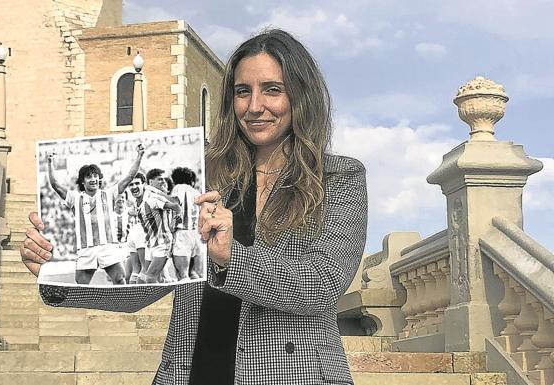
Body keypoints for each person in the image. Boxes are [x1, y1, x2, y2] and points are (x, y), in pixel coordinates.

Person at [21, 28, 367, 385]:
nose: (254, 106)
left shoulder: (340, 177)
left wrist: (230, 257)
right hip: (190, 372)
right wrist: (57, 271)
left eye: (272, 90)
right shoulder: (205, 174)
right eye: (242, 91)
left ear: (301, 96)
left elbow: (322, 284)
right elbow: (148, 282)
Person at [44, 144, 145, 285]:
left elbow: (129, 177)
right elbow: (55, 184)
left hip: (107, 246)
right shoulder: (75, 197)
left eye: (96, 176)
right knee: (81, 285)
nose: (93, 179)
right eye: (89, 177)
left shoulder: (109, 194)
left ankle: (121, 305)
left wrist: (139, 156)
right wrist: (49, 162)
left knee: (120, 280)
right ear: (82, 181)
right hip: (86, 249)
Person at [169, 167, 204, 280]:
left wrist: (170, 231)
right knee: (193, 274)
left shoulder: (177, 189)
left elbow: (175, 210)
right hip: (197, 235)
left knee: (182, 274)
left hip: (182, 233)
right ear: (191, 181)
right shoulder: (197, 193)